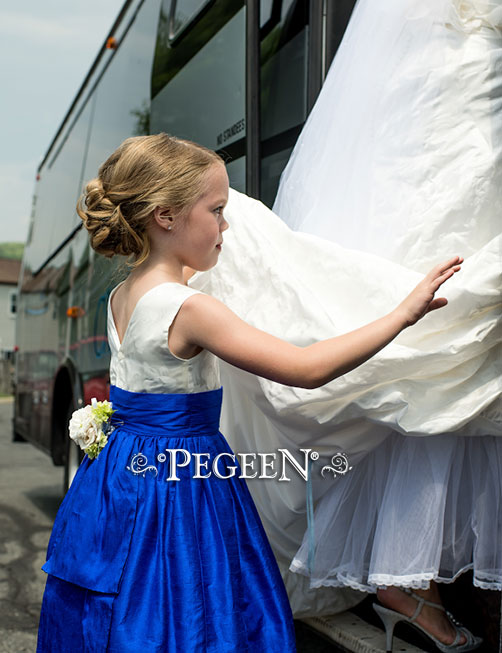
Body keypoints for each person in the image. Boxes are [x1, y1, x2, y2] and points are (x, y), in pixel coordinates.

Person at [36, 133, 463, 652]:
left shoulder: (123, 293)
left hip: (118, 472)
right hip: (182, 478)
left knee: (126, 592)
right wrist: (402, 314)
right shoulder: (190, 309)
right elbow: (306, 369)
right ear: (166, 217)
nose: (226, 225)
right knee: (194, 599)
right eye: (216, 210)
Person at [271, 0, 501, 650]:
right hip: (461, 102)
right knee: (449, 340)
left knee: (440, 348)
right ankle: (411, 578)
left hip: (441, 110)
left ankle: (411, 580)